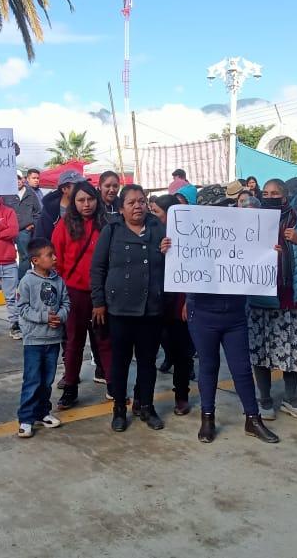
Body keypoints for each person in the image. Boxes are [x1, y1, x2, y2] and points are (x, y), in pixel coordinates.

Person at [170, 194, 279, 444]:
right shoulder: (192, 235)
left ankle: (253, 419)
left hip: (235, 314)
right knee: (208, 367)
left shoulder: (245, 236)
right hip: (203, 313)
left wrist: (271, 254)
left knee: (241, 368)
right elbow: (180, 265)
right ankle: (207, 418)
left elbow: (259, 265)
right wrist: (169, 249)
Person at [249, 179, 297, 420]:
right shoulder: (253, 222)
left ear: (285, 197)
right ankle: (264, 399)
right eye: (265, 193)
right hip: (261, 299)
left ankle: (290, 398)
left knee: (293, 354)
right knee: (261, 352)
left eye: (275, 193)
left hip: (295, 299)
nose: (270, 197)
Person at [91, 185, 166, 432]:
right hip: (119, 310)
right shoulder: (112, 230)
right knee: (120, 363)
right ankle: (119, 409)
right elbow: (98, 268)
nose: (138, 206)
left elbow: (176, 265)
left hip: (151, 310)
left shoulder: (159, 229)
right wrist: (99, 302)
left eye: (141, 201)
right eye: (131, 202)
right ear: (121, 208)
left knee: (147, 362)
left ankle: (146, 407)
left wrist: (170, 251)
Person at [53, 182, 113, 409]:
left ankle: (112, 384)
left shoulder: (107, 224)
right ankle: (70, 388)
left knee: (105, 340)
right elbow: (56, 260)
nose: (86, 204)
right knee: (73, 342)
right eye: (80, 200)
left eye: (90, 199)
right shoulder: (64, 226)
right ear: (73, 202)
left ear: (97, 200)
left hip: (102, 294)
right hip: (74, 293)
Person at [15, 238, 71, 438]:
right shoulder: (27, 281)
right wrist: (44, 318)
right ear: (35, 260)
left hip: (53, 339)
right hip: (34, 341)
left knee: (47, 380)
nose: (55, 258)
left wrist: (61, 317)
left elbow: (66, 303)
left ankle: (43, 412)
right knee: (32, 380)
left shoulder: (58, 280)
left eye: (54, 254)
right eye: (49, 255)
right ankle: (26, 418)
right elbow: (22, 308)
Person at [150, 194, 195, 415]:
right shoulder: (150, 233)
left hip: (178, 303)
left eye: (157, 212)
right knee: (156, 348)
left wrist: (188, 300)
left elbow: (194, 269)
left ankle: (181, 395)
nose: (152, 216)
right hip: (155, 302)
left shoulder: (188, 236)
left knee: (182, 353)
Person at [0, 197, 21, 340]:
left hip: (8, 262)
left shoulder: (9, 211)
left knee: (12, 297)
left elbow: (13, 231)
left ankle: (15, 325)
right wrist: (2, 227)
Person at [5, 172, 41, 281]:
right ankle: (10, 280)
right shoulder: (5, 194)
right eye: (15, 179)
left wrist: (31, 225)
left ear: (24, 179)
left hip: (24, 231)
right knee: (8, 257)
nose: (17, 181)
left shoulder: (31, 193)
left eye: (19, 178)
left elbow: (38, 212)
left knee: (25, 256)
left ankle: (22, 282)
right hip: (8, 230)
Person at [35, 171, 85, 242]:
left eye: (83, 184)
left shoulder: (85, 206)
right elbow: (41, 239)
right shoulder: (50, 210)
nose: (82, 188)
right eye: (78, 186)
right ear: (64, 189)